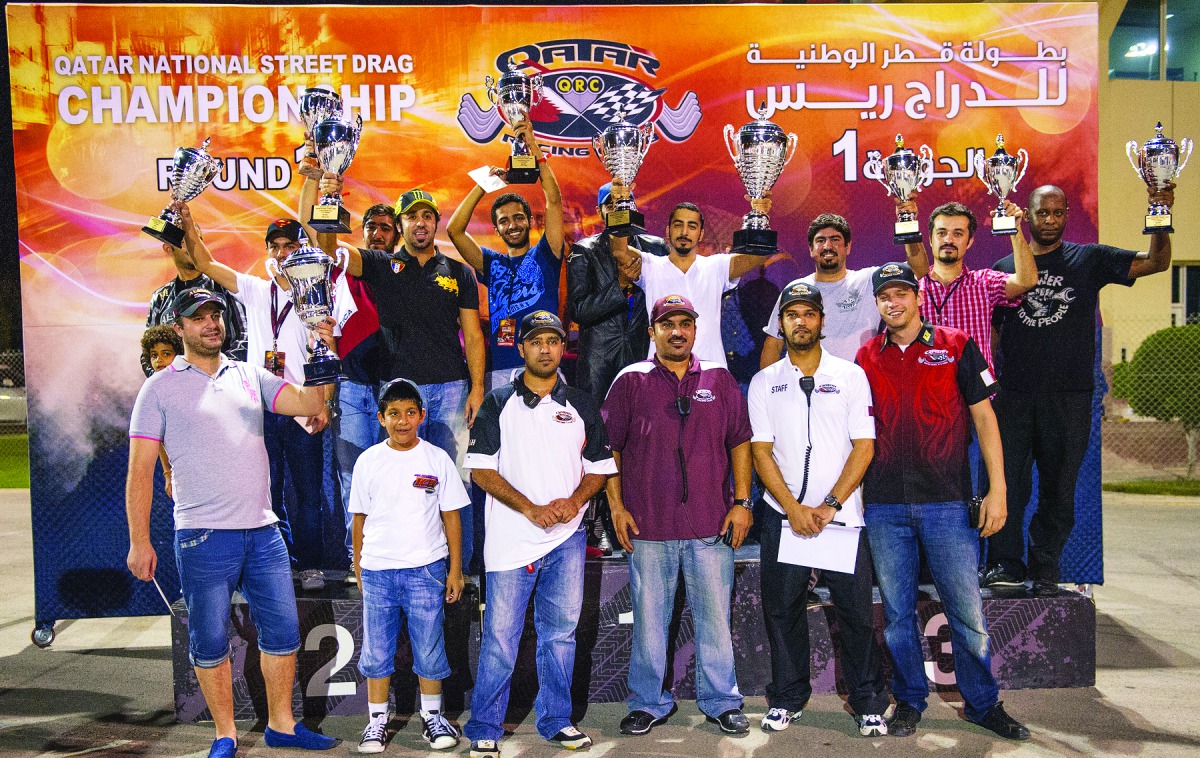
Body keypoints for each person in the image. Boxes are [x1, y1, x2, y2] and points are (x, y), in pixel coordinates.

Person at [125, 288, 338, 758]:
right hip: (202, 535)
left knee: (282, 632)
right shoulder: (158, 388)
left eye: (215, 315)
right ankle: (225, 733)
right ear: (178, 328)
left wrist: (322, 349)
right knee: (210, 638)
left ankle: (282, 725)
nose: (210, 324)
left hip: (264, 531)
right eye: (198, 318)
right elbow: (140, 470)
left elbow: (308, 404)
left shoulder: (248, 375)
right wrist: (139, 540)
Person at [855, 263, 1029, 741]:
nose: (894, 303)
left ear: (917, 296)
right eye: (885, 296)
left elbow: (985, 420)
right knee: (895, 615)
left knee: (967, 613)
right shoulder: (865, 356)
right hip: (885, 507)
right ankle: (909, 701)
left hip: (948, 504)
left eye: (902, 294)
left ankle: (982, 704)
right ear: (878, 303)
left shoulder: (956, 346)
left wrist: (999, 489)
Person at [983, 182, 1176, 594]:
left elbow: (1157, 263)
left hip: (1069, 397)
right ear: (1027, 217)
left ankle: (1045, 567)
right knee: (1006, 485)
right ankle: (1006, 566)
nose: (1050, 221)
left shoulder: (1089, 259)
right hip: (1013, 397)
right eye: (1041, 213)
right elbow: (993, 337)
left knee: (1058, 488)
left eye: (1057, 213)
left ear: (1067, 214)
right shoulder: (1004, 268)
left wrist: (1161, 216)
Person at [462, 311, 616, 758]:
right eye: (536, 341)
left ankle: (556, 721)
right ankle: (485, 726)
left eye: (553, 341)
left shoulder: (582, 404)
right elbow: (481, 471)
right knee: (500, 638)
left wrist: (572, 502)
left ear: (560, 347)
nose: (545, 348)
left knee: (560, 636)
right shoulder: (497, 402)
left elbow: (601, 469)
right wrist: (529, 508)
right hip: (511, 542)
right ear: (523, 348)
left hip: (566, 539)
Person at [602, 294, 754, 737]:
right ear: (652, 332)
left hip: (711, 524)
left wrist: (742, 503)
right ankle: (648, 703)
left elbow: (740, 442)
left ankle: (722, 700)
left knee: (714, 619)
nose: (677, 331)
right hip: (648, 527)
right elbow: (608, 447)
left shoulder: (720, 380)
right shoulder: (631, 380)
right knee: (650, 622)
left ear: (695, 329)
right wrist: (616, 505)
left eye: (685, 323)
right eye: (668, 324)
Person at [747, 280, 891, 736]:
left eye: (809, 313)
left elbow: (864, 447)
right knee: (783, 608)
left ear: (822, 321)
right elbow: (761, 452)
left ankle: (868, 699)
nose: (801, 321)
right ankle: (788, 696)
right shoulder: (764, 381)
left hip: (841, 517)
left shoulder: (849, 376)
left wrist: (829, 505)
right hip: (784, 515)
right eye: (792, 314)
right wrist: (791, 508)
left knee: (853, 611)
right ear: (782, 323)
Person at [331, 185, 487, 577]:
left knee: (455, 485)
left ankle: (459, 570)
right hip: (400, 396)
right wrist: (327, 198)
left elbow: (473, 334)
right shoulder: (382, 265)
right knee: (400, 485)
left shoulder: (458, 272)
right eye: (412, 217)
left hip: (451, 389)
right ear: (400, 225)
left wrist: (478, 388)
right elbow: (334, 252)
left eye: (428, 216)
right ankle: (390, 567)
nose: (421, 223)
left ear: (436, 222)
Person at [186, 205, 332, 589]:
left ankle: (311, 566)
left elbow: (328, 350)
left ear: (301, 249)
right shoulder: (254, 289)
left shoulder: (316, 291)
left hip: (302, 407)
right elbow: (204, 261)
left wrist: (326, 400)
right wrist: (185, 221)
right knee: (265, 490)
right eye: (276, 247)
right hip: (260, 405)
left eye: (290, 246)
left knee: (307, 493)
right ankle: (276, 564)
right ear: (267, 251)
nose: (283, 253)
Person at [350, 378, 467, 754]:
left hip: (426, 570)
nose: (403, 421)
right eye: (394, 414)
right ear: (381, 418)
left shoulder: (436, 458)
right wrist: (359, 567)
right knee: (377, 651)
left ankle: (432, 717)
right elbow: (359, 521)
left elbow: (452, 517)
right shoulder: (368, 461)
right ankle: (376, 722)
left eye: (410, 413)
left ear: (422, 415)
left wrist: (455, 569)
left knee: (429, 648)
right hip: (379, 572)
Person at [298, 154, 394, 580]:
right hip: (353, 388)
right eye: (370, 227)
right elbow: (314, 236)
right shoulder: (345, 267)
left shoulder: (404, 271)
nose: (376, 234)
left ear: (396, 236)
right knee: (354, 481)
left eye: (385, 228)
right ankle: (358, 562)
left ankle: (396, 556)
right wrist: (321, 189)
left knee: (399, 478)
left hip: (399, 391)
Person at [446, 120, 565, 390]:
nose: (512, 225)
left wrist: (534, 148)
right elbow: (455, 230)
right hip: (499, 372)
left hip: (542, 368)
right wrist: (483, 185)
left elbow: (554, 201)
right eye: (504, 221)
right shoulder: (492, 263)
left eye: (518, 218)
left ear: (530, 222)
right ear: (497, 228)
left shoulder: (546, 254)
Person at [608, 190, 773, 367]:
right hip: (662, 374)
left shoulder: (717, 267)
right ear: (668, 231)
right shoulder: (651, 266)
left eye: (692, 226)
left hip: (709, 373)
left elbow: (757, 257)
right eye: (678, 225)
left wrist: (760, 215)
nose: (684, 232)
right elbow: (619, 250)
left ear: (701, 234)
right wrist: (620, 208)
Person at [759, 213, 929, 367]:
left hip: (861, 383)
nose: (827, 246)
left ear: (848, 247)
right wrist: (767, 390)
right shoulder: (796, 290)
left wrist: (908, 222)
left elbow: (919, 269)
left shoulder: (869, 280)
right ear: (811, 249)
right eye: (820, 240)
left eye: (835, 239)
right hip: (808, 387)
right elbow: (774, 343)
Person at [897, 199, 1036, 370]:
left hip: (976, 394)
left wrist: (1015, 229)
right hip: (927, 391)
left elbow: (1027, 280)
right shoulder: (912, 288)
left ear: (969, 241)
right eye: (941, 233)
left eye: (958, 234)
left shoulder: (985, 283)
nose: (949, 240)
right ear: (931, 240)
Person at [566, 183, 669, 400]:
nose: (618, 210)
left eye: (623, 204)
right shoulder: (584, 250)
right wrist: (620, 284)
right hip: (598, 358)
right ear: (599, 212)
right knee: (597, 426)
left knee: (641, 424)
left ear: (633, 207)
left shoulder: (656, 248)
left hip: (642, 350)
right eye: (610, 205)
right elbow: (578, 310)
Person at [143, 233, 247, 377]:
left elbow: (244, 339)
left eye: (197, 239)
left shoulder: (226, 286)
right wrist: (162, 380)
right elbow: (148, 352)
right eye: (185, 242)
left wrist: (217, 376)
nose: (193, 246)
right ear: (168, 248)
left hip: (222, 385)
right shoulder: (160, 297)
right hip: (176, 390)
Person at [140, 324, 183, 498]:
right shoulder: (154, 393)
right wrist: (168, 474)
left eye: (166, 354)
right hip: (181, 473)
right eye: (154, 355)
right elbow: (159, 438)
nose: (159, 360)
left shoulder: (195, 384)